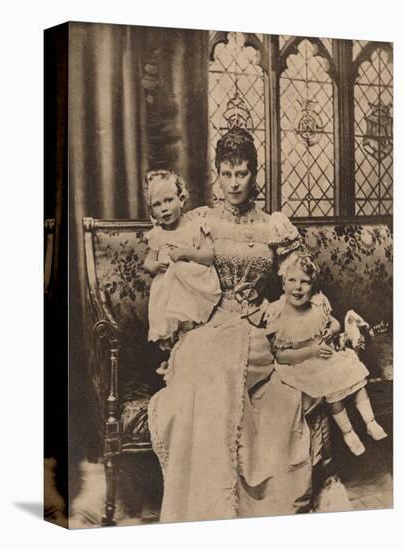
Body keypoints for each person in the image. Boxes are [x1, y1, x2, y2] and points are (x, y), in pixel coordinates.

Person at [148, 128, 350, 523]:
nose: (234, 182)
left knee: (249, 380)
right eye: (226, 173)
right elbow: (172, 262)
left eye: (242, 173)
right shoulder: (201, 220)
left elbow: (301, 278)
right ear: (217, 175)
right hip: (211, 321)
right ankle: (207, 506)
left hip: (257, 326)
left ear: (254, 174)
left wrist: (277, 310)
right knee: (202, 364)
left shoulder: (273, 225)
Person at [265, 252, 387, 456]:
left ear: (312, 285)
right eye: (292, 280)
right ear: (283, 283)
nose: (298, 287)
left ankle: (370, 421)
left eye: (305, 282)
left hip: (326, 358)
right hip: (301, 365)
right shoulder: (278, 313)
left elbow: (335, 322)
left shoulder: (317, 304)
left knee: (354, 373)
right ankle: (348, 432)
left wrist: (331, 331)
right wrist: (310, 350)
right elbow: (280, 356)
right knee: (332, 389)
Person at [143, 169, 221, 352]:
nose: (164, 208)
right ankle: (173, 360)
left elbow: (209, 257)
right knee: (171, 329)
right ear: (152, 212)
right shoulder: (157, 235)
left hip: (192, 287)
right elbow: (147, 262)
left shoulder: (194, 227)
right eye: (157, 204)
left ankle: (189, 354)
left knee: (191, 330)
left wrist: (186, 253)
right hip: (167, 293)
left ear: (182, 199)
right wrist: (155, 266)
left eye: (169, 200)